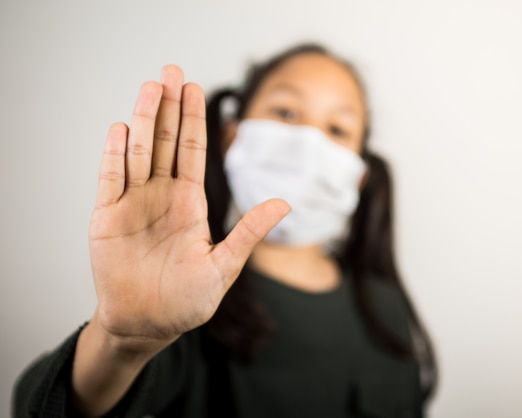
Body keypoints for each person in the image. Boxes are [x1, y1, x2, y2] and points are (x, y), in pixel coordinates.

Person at [13, 43, 437, 418]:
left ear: (359, 176)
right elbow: (49, 407)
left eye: (338, 129)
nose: (308, 141)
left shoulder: (384, 308)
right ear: (233, 137)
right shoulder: (185, 297)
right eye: (286, 112)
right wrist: (122, 341)